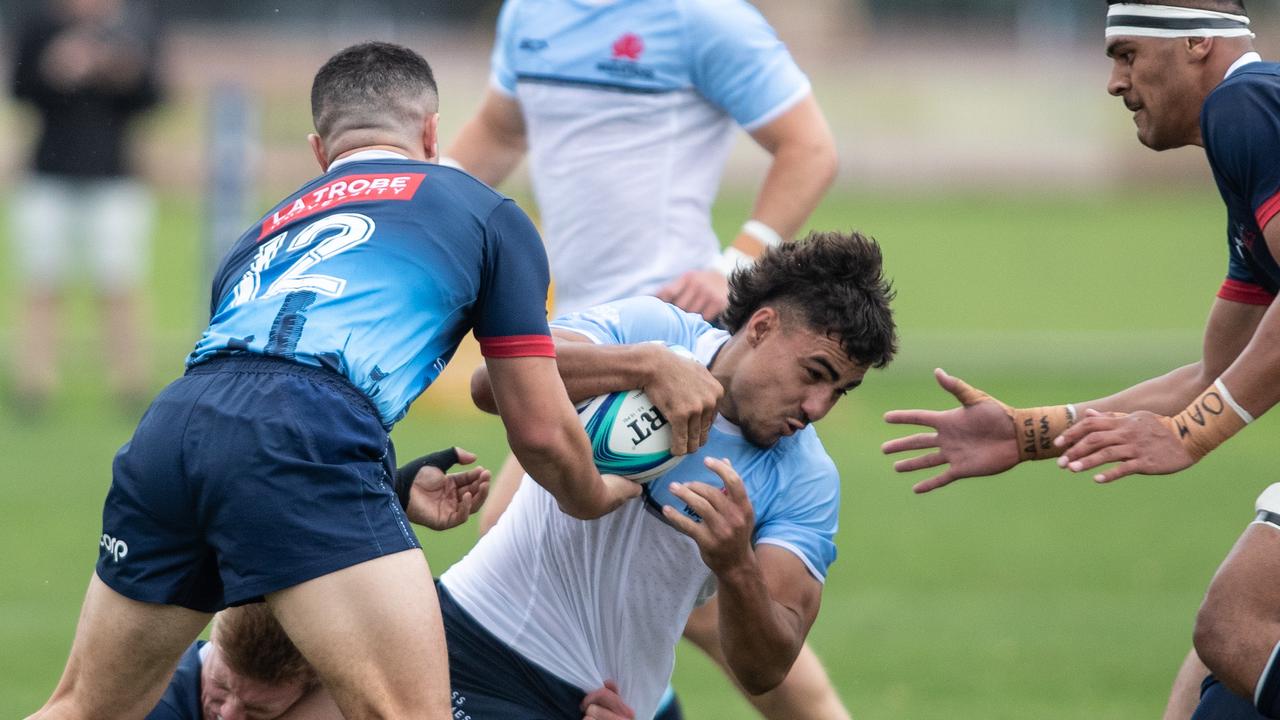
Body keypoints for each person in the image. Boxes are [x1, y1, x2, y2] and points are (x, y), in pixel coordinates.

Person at [29, 41, 639, 720]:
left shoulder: (258, 234)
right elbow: (540, 430)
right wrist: (599, 491)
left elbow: (244, 426)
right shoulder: (484, 211)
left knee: (84, 707)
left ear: (322, 150)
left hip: (172, 425)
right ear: (432, 133)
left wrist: (386, 489)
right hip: (306, 433)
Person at [446, 0, 848, 714]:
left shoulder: (704, 18)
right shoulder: (529, 14)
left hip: (676, 341)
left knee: (648, 576)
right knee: (587, 572)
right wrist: (403, 209)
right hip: (584, 335)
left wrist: (736, 263)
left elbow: (811, 147)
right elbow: (497, 137)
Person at [882, 1, 1280, 717]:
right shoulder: (1248, 144)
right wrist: (1029, 431)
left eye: (1126, 55)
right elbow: (1213, 375)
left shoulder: (1244, 104)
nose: (1114, 83)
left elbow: (1203, 406)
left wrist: (1190, 435)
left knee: (1233, 626)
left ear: (1196, 43)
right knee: (1213, 686)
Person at [439, 231, 896, 720]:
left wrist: (735, 563)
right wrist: (643, 366)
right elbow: (490, 385)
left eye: (840, 391)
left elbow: (765, 670)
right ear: (762, 327)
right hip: (466, 635)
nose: (817, 407)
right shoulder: (656, 332)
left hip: (598, 705)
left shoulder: (806, 479)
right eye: (815, 373)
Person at [8, 0, 163, 411]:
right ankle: (34, 382)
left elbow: (155, 95)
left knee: (119, 282)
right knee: (43, 282)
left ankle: (129, 381)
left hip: (116, 174)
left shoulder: (137, 25)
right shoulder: (40, 24)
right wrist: (55, 68)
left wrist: (122, 71)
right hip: (47, 173)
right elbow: (19, 89)